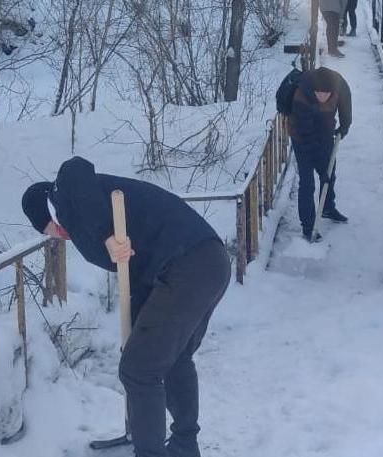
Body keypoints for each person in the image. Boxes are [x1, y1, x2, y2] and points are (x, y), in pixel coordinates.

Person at [21, 156, 231, 457]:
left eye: (49, 232)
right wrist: (135, 329)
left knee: (138, 370)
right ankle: (185, 444)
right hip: (206, 263)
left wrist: (106, 236)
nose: (58, 236)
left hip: (187, 266)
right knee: (172, 359)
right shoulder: (87, 210)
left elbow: (74, 168)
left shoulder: (64, 195)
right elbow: (139, 274)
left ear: (45, 220)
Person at [288, 66, 352, 241]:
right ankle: (308, 226)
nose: (323, 97)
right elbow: (307, 137)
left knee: (330, 173)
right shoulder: (301, 96)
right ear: (313, 90)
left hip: (325, 132)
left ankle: (327, 207)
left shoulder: (339, 85)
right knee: (307, 182)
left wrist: (344, 127)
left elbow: (346, 104)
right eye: (319, 93)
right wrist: (319, 165)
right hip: (301, 137)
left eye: (327, 94)